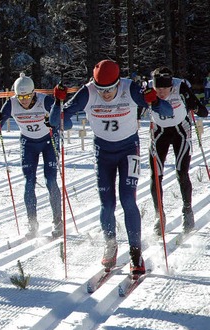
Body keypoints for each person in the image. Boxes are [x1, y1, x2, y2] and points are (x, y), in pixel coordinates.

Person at [51, 59, 173, 276]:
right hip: (103, 153)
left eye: (109, 89)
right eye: (101, 89)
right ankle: (111, 244)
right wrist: (57, 103)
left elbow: (167, 112)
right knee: (106, 204)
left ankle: (136, 252)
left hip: (129, 150)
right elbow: (58, 121)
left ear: (118, 82)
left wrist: (153, 101)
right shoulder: (87, 93)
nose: (105, 94)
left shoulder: (130, 89)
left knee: (128, 199)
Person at [0, 73, 62, 238]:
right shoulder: (12, 104)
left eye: (28, 95)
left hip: (49, 141)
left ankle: (58, 221)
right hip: (28, 144)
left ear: (34, 92)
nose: (24, 100)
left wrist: (54, 122)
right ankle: (32, 224)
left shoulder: (45, 101)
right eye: (20, 96)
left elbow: (61, 119)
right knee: (29, 182)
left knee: (50, 180)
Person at [148, 67, 208, 235]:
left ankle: (187, 211)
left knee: (182, 172)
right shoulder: (148, 89)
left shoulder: (180, 87)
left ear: (170, 86)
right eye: (157, 88)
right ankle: (159, 215)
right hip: (159, 133)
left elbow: (203, 111)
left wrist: (194, 106)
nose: (160, 92)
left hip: (180, 131)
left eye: (164, 89)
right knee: (155, 174)